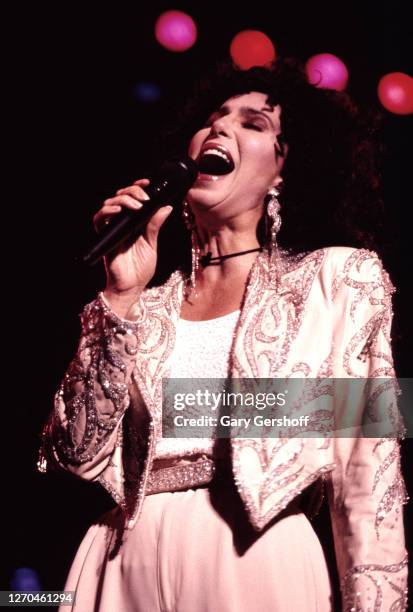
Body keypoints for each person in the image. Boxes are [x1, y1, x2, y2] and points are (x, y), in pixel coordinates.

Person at [39, 58, 408, 611]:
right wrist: (118, 298)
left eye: (253, 124)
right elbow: (74, 452)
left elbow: (367, 472)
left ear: (284, 170)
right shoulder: (147, 301)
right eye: (215, 117)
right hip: (118, 559)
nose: (221, 128)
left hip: (251, 554)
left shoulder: (336, 280)